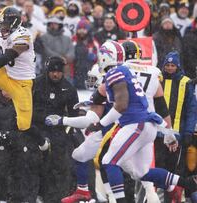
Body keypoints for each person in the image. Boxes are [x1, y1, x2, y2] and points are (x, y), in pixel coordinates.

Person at [83, 40, 197, 202]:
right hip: (151, 125)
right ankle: (187, 183)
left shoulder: (118, 71)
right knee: (141, 172)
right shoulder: (153, 71)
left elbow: (106, 97)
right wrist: (168, 132)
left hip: (131, 124)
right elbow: (161, 105)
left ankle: (115, 199)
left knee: (107, 161)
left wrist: (95, 117)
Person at [33, 56, 79, 202]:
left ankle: (54, 197)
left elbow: (74, 114)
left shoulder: (69, 88)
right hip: (35, 129)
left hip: (58, 131)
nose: (55, 74)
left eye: (59, 72)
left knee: (58, 166)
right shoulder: (36, 84)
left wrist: (66, 132)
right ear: (47, 71)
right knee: (34, 164)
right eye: (52, 71)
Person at [156, 51, 197, 202]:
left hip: (178, 135)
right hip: (159, 134)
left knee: (176, 170)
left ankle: (175, 198)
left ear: (178, 66)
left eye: (173, 65)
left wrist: (188, 132)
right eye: (167, 65)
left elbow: (192, 110)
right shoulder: (157, 80)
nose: (170, 68)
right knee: (160, 168)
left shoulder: (186, 82)